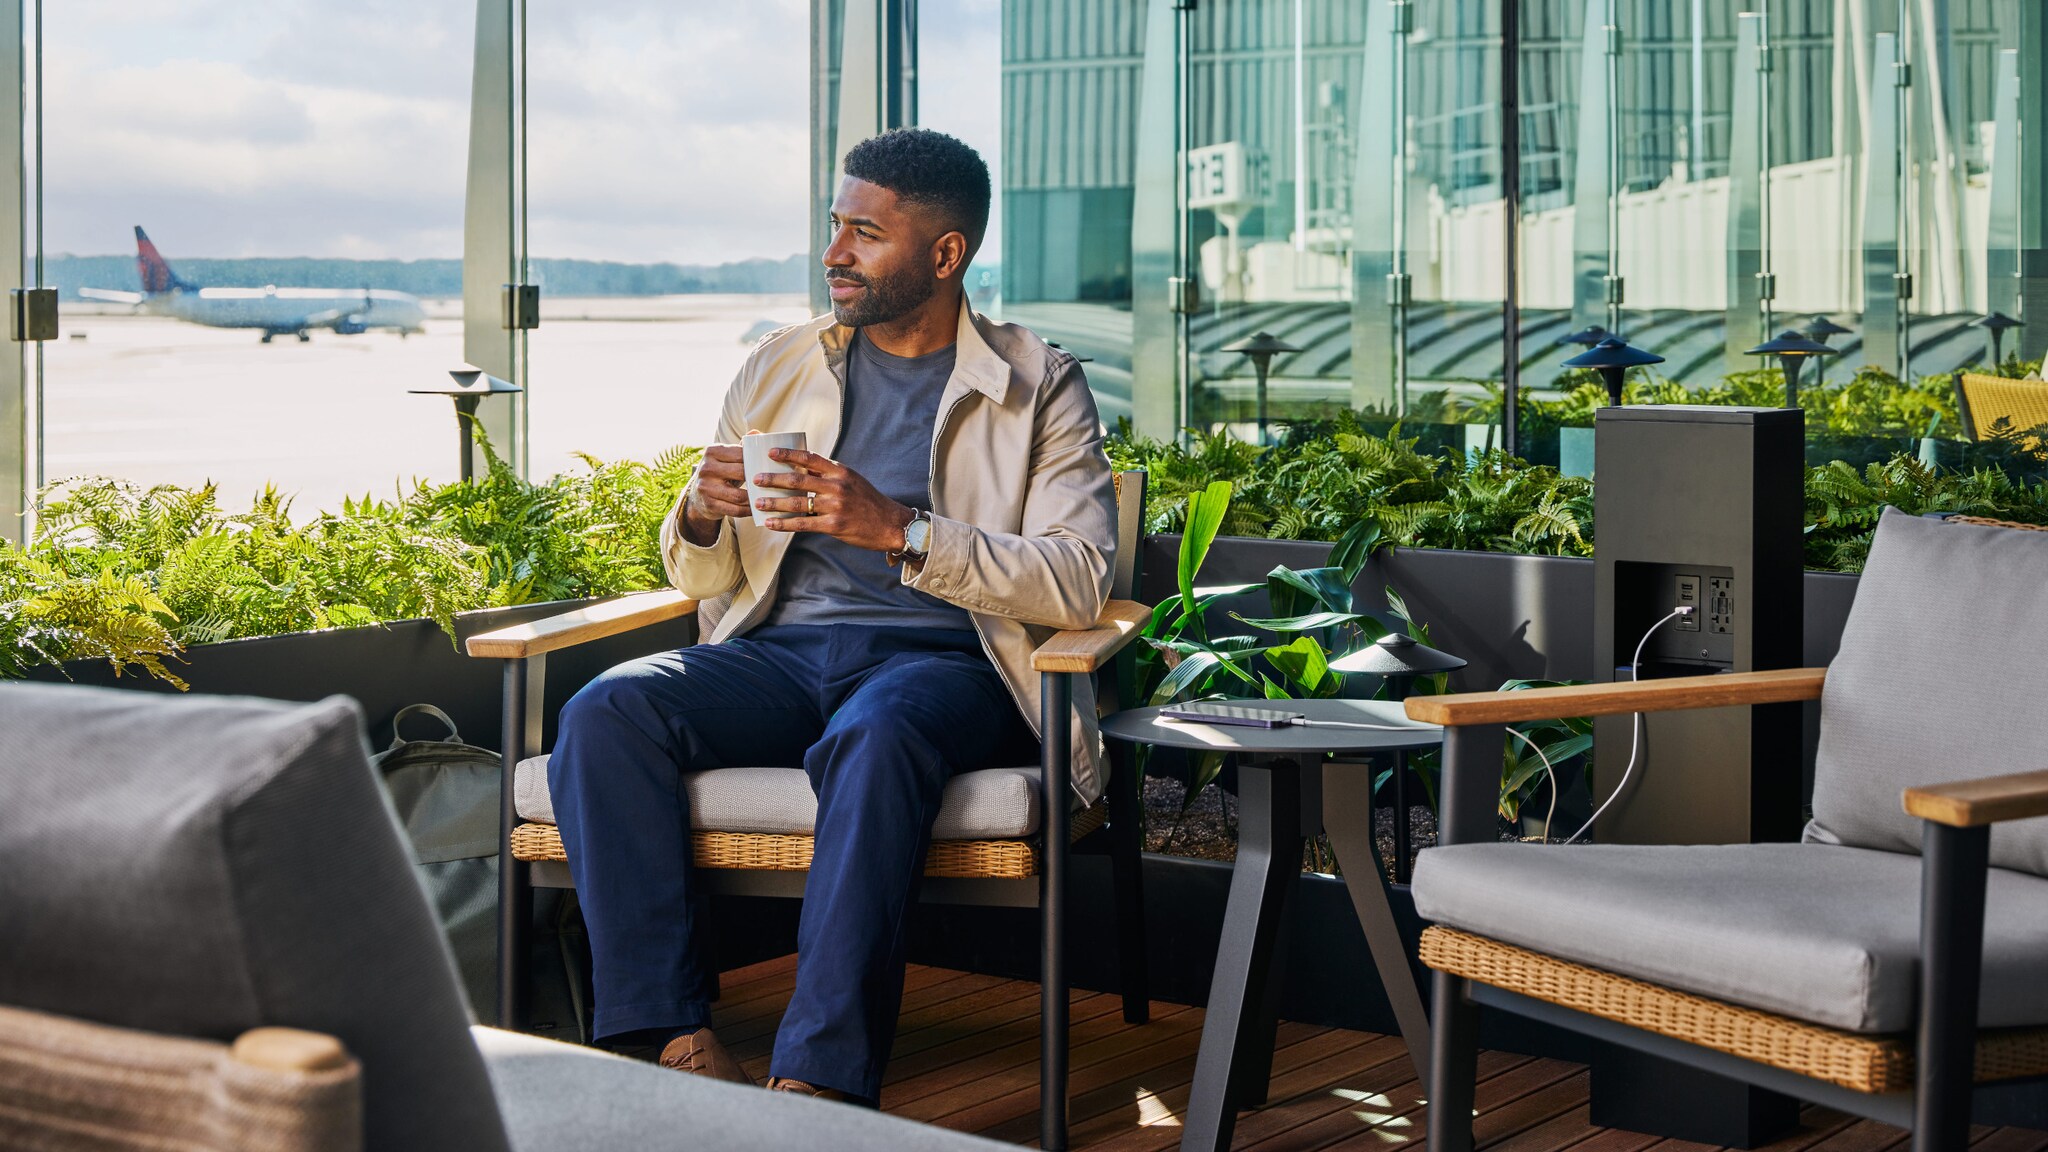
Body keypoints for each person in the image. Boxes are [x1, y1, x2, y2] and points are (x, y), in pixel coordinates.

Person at [545, 127, 1116, 1105]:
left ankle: (817, 1083)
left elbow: (1078, 580)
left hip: (943, 661)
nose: (833, 252)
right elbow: (701, 575)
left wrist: (900, 531)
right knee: (607, 709)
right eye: (834, 225)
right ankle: (675, 1040)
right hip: (778, 655)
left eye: (865, 233)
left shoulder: (1038, 385)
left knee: (877, 735)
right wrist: (699, 513)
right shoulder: (777, 365)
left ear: (946, 253)